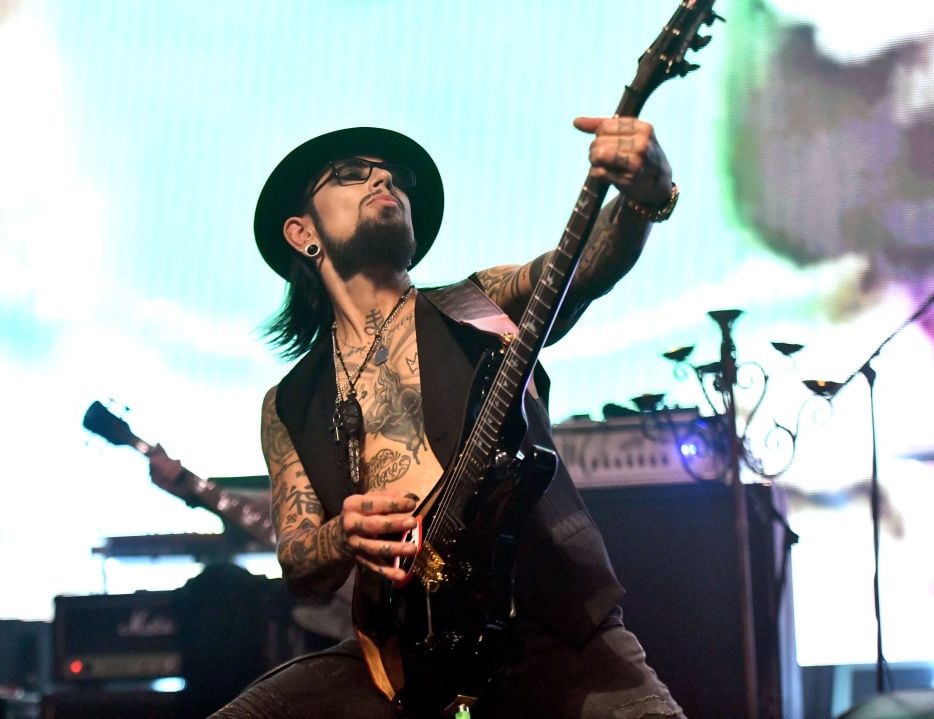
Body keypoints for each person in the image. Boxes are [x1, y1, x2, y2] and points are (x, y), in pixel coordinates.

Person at [194, 117, 685, 718]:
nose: (383, 180)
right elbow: (299, 562)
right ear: (302, 233)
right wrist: (344, 533)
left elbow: (583, 267)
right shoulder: (289, 402)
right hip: (405, 660)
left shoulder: (479, 305)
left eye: (393, 178)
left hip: (556, 632)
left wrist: (645, 198)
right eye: (352, 174)